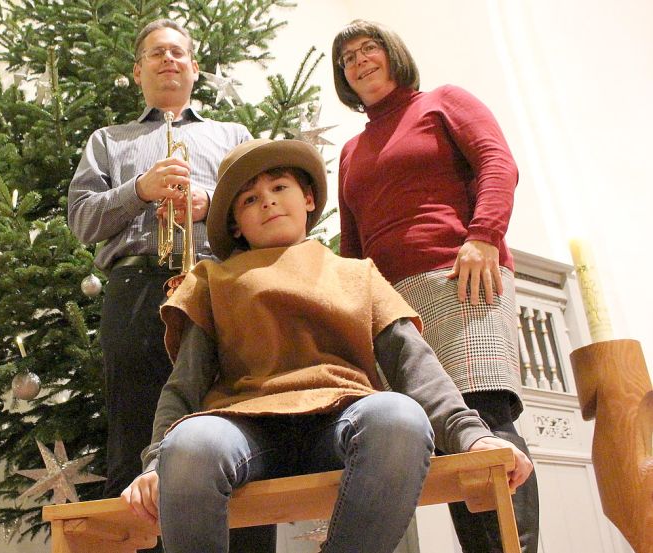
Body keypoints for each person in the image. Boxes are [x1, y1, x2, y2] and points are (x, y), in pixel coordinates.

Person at [121, 138, 534, 553]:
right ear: (235, 225)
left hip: (342, 418)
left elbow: (416, 365)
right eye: (249, 199)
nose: (267, 202)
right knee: (190, 445)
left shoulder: (357, 274)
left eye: (279, 188)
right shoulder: (213, 280)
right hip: (243, 426)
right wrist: (157, 461)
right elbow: (184, 383)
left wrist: (472, 435)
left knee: (400, 416)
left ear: (308, 198)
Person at [331, 19, 540, 553]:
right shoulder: (351, 151)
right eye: (348, 57)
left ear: (393, 53)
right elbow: (352, 242)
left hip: (462, 277)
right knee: (445, 434)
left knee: (484, 415)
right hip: (395, 304)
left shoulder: (444, 102)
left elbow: (498, 162)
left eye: (369, 48)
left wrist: (484, 236)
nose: (359, 61)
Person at [67, 18, 273, 552]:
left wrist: (210, 204)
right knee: (134, 433)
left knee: (238, 418)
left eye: (178, 53)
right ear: (138, 71)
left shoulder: (233, 137)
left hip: (220, 285)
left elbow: (265, 217)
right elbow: (82, 222)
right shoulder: (108, 142)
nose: (168, 61)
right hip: (136, 289)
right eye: (156, 54)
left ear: (195, 67)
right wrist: (139, 189)